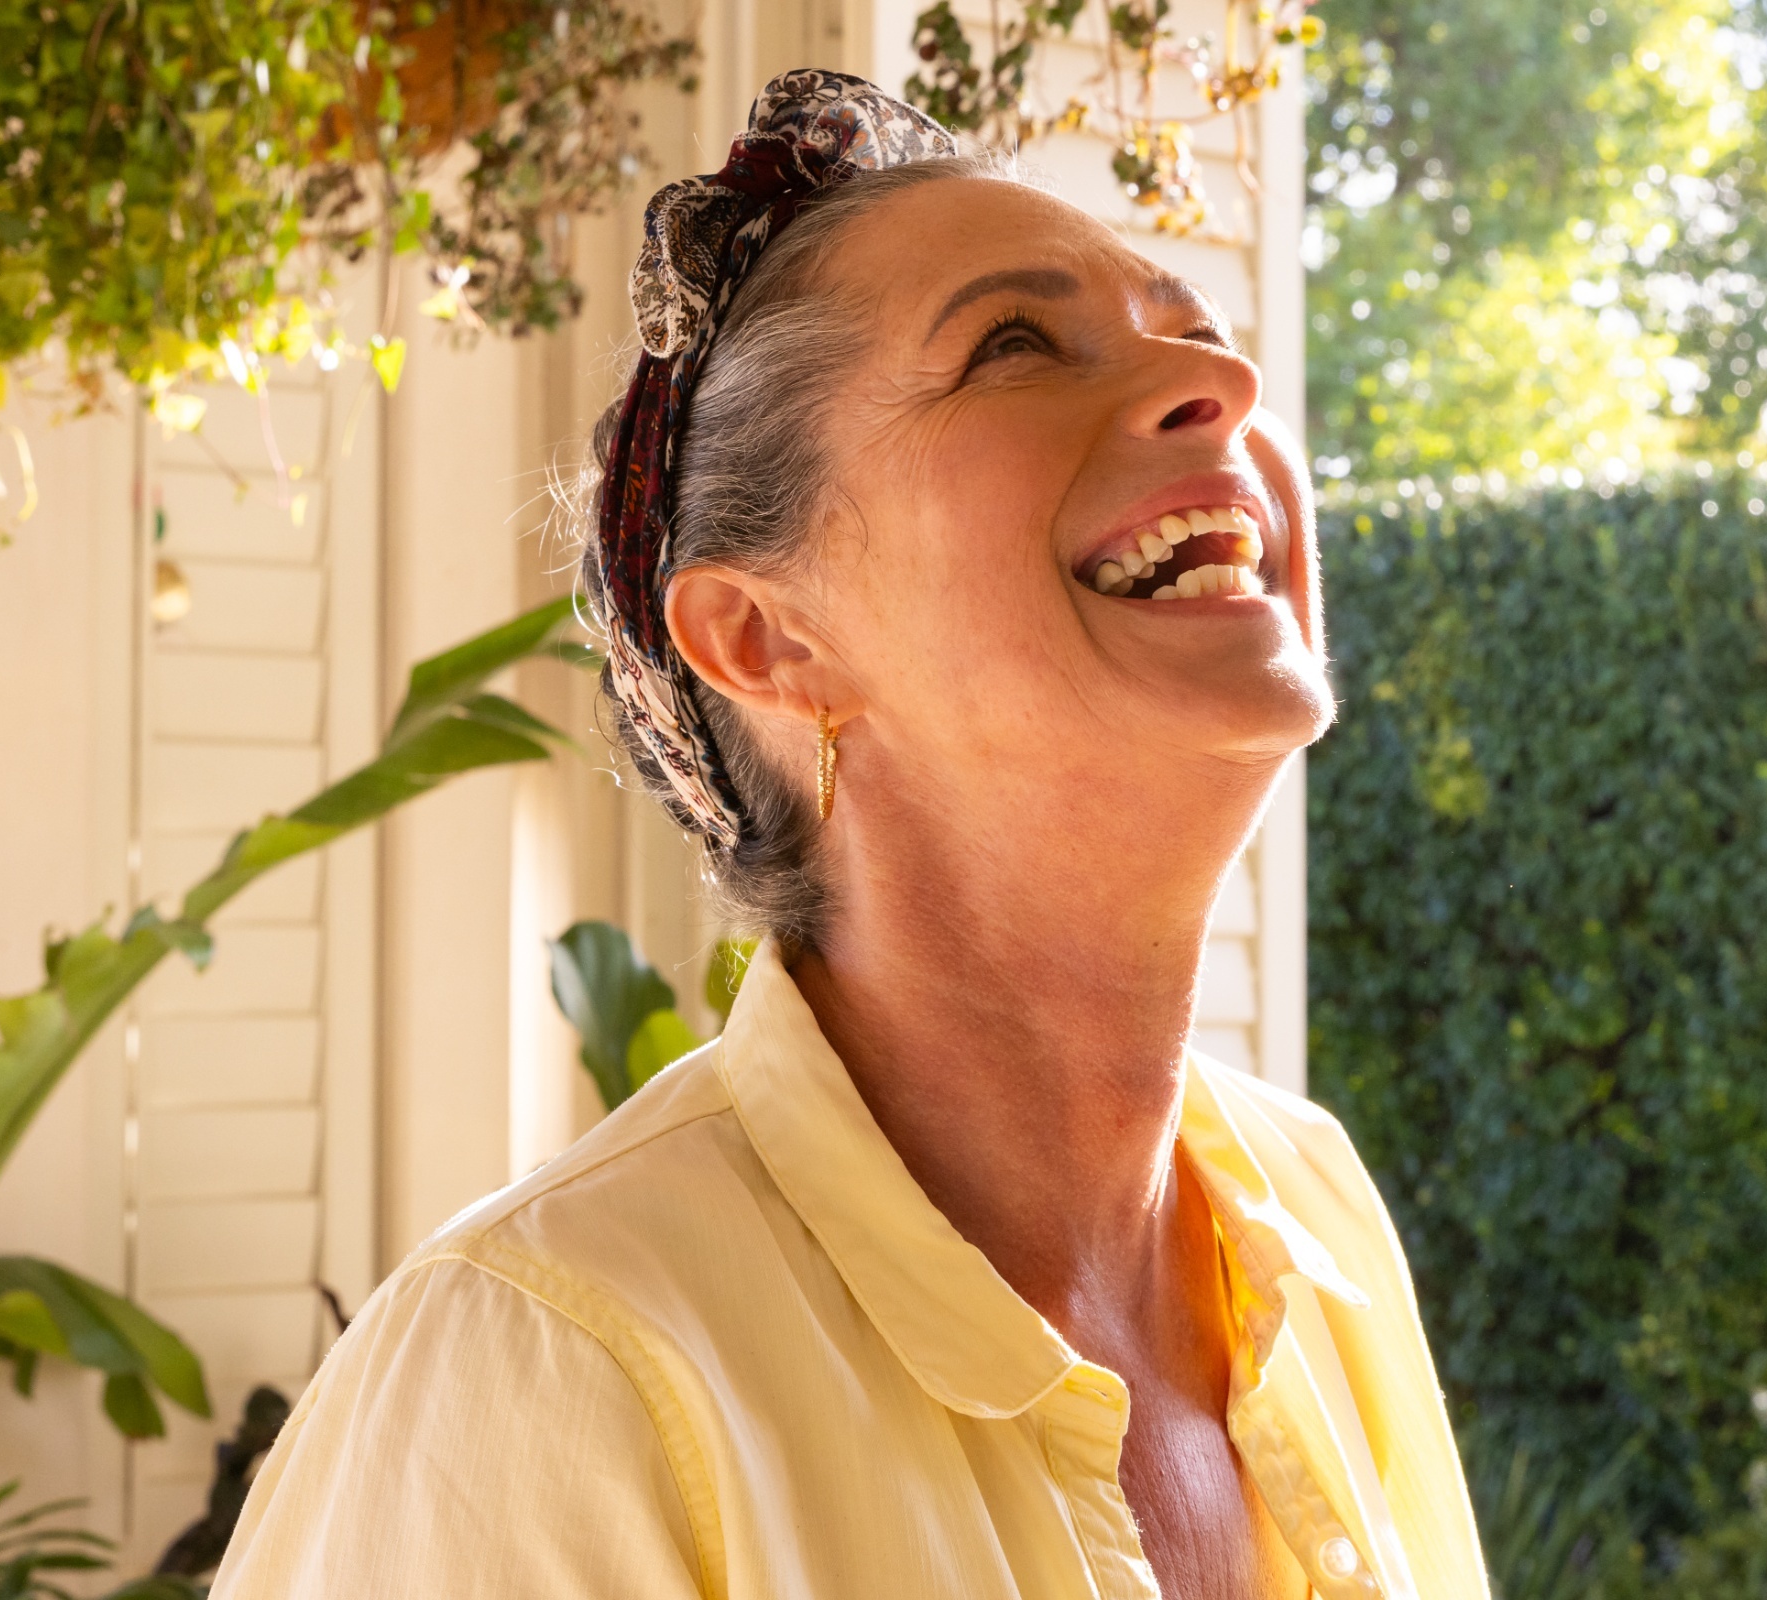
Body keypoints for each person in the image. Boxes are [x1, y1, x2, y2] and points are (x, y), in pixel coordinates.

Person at [211, 71, 1484, 1599]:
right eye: (1014, 347)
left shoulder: (1317, 1219)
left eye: (1200, 330)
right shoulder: (549, 1362)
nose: (1217, 389)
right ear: (762, 637)